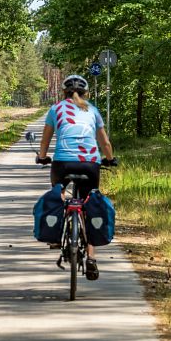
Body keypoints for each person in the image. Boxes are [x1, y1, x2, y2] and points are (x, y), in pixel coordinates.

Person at [36, 74, 116, 281]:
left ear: (63, 92)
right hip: (90, 163)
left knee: (59, 193)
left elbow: (45, 140)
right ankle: (91, 258)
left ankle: (57, 232)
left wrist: (42, 157)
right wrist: (110, 159)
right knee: (89, 203)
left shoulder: (55, 109)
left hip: (62, 162)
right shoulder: (93, 110)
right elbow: (105, 143)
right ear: (86, 93)